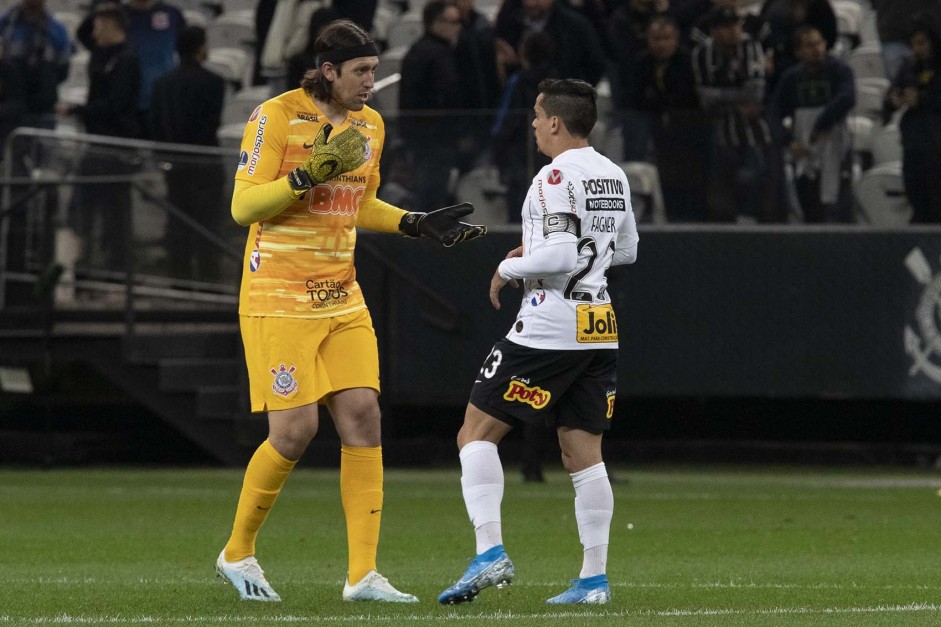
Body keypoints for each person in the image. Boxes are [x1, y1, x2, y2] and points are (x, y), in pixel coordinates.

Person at [215, 19, 486, 604]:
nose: (371, 82)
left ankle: (363, 575)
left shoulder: (370, 125)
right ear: (328, 71)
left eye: (373, 70)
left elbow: (358, 204)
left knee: (363, 416)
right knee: (295, 432)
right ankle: (237, 552)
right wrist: (307, 173)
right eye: (361, 71)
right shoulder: (275, 116)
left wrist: (413, 222)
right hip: (279, 297)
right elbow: (243, 207)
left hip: (341, 295)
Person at [437, 78, 639, 606]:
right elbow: (626, 251)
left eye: (535, 114)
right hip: (599, 326)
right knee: (583, 455)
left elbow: (560, 257)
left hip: (550, 326)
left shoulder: (553, 176)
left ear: (554, 121)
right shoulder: (613, 173)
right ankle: (593, 580)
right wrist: (550, 252)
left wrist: (508, 267)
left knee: (475, 433)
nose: (531, 123)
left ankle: (489, 552)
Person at [57, 2, 140, 270]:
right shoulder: (100, 52)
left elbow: (116, 104)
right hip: (95, 142)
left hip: (116, 145)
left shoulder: (126, 59)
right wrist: (98, 9)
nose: (94, 31)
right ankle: (83, 265)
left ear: (110, 25)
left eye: (99, 25)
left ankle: (117, 269)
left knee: (115, 213)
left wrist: (78, 110)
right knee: (81, 209)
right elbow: (82, 33)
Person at [150, 25, 226, 281]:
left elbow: (156, 125)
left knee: (178, 224)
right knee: (207, 227)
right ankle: (208, 282)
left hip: (175, 166)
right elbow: (211, 123)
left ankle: (179, 280)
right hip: (205, 165)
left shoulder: (162, 84)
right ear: (200, 48)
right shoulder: (214, 83)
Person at [692, 6, 778, 222]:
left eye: (736, 25)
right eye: (726, 26)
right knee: (719, 177)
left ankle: (755, 218)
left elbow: (755, 93)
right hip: (716, 127)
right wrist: (737, 98)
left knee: (756, 171)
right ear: (714, 31)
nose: (733, 31)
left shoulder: (751, 46)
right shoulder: (702, 53)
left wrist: (720, 95)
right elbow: (704, 97)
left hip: (752, 126)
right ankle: (723, 224)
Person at [769, 25, 855, 223]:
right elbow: (774, 112)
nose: (816, 49)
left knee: (836, 200)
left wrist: (821, 123)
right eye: (809, 45)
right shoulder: (791, 78)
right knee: (808, 200)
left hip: (834, 144)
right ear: (798, 52)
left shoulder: (839, 70)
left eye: (819, 43)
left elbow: (847, 97)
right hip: (803, 148)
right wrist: (788, 140)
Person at [398, 1, 464, 213]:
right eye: (451, 22)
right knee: (430, 197)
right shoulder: (434, 54)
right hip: (434, 139)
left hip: (427, 137)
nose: (457, 27)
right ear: (434, 23)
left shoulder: (422, 51)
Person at [883, 17, 941, 223]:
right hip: (913, 141)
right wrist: (893, 100)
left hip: (936, 141)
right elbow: (890, 95)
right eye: (914, 44)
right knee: (916, 194)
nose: (917, 49)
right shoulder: (909, 66)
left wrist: (922, 99)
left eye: (922, 43)